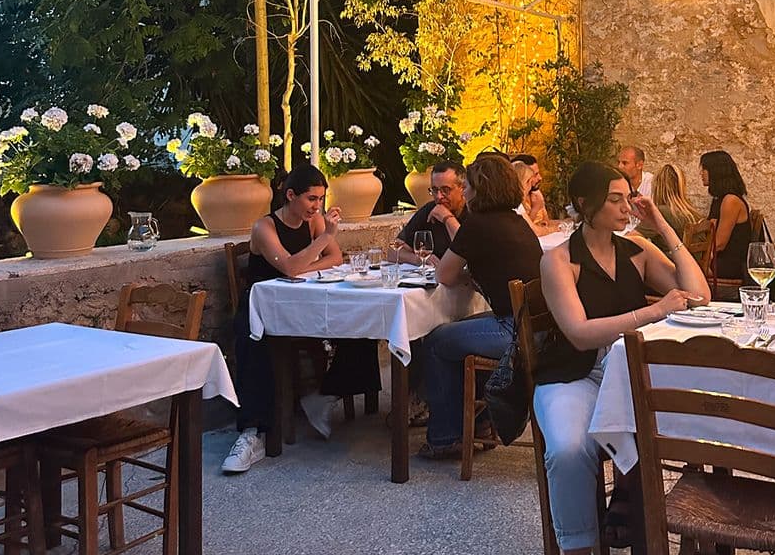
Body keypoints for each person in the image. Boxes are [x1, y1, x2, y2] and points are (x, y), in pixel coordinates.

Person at [536, 161, 710, 555]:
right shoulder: (559, 261)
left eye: (629, 196)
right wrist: (653, 311)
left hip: (631, 376)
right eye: (615, 198)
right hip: (573, 375)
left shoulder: (635, 250)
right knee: (568, 451)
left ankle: (641, 507)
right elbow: (578, 333)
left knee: (689, 421)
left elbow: (698, 295)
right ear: (584, 204)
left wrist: (662, 226)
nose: (626, 206)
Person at [221, 163, 381, 474]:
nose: (316, 206)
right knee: (254, 342)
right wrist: (323, 240)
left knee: (361, 323)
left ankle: (326, 395)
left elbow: (335, 258)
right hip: (263, 307)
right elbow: (291, 267)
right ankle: (253, 433)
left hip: (303, 303)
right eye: (311, 199)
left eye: (320, 199)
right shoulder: (264, 227)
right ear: (291, 195)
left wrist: (305, 262)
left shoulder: (314, 221)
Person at [419, 153, 543, 459]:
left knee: (435, 341)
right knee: (459, 331)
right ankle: (482, 424)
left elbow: (444, 276)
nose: (465, 191)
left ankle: (446, 437)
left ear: (481, 188)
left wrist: (465, 274)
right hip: (537, 328)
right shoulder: (517, 221)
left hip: (514, 332)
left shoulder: (478, 225)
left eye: (468, 186)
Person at [392, 159, 467, 263]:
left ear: (463, 188)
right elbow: (393, 251)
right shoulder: (430, 209)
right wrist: (421, 259)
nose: (439, 196)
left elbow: (468, 250)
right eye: (435, 190)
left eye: (446, 190)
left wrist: (447, 218)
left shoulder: (474, 211)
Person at [699, 149, 753, 282]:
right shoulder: (719, 199)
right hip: (720, 260)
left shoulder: (730, 200)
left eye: (704, 169)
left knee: (681, 267)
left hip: (730, 264)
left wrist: (699, 259)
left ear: (716, 171)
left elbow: (719, 244)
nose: (701, 173)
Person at [651, 162, 702, 243]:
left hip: (669, 252)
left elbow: (632, 239)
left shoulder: (660, 212)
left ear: (657, 186)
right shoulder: (692, 213)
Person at [510, 153, 549, 225]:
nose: (540, 178)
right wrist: (535, 209)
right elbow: (523, 227)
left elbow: (547, 222)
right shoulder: (515, 201)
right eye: (535, 174)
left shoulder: (536, 194)